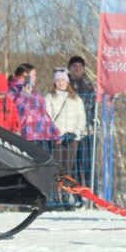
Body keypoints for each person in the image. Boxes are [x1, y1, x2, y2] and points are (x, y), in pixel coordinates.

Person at [46, 67, 87, 207]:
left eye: (63, 80)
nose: (61, 83)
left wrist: (76, 132)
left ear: (67, 82)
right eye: (58, 80)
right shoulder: (50, 98)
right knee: (56, 167)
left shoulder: (76, 100)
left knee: (68, 168)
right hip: (57, 139)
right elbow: (48, 118)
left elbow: (81, 118)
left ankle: (67, 195)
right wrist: (56, 133)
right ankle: (54, 194)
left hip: (71, 139)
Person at [66, 55, 96, 197]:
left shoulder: (89, 84)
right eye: (74, 66)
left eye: (80, 67)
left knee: (87, 164)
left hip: (87, 130)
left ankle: (91, 194)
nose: (77, 69)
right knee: (72, 165)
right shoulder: (65, 84)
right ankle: (75, 195)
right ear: (69, 69)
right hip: (70, 130)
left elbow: (93, 107)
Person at [10, 64, 59, 146]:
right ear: (25, 75)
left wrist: (55, 132)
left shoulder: (36, 95)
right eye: (34, 75)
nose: (36, 78)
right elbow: (13, 109)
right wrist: (24, 94)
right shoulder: (12, 91)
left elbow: (44, 116)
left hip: (41, 136)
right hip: (25, 136)